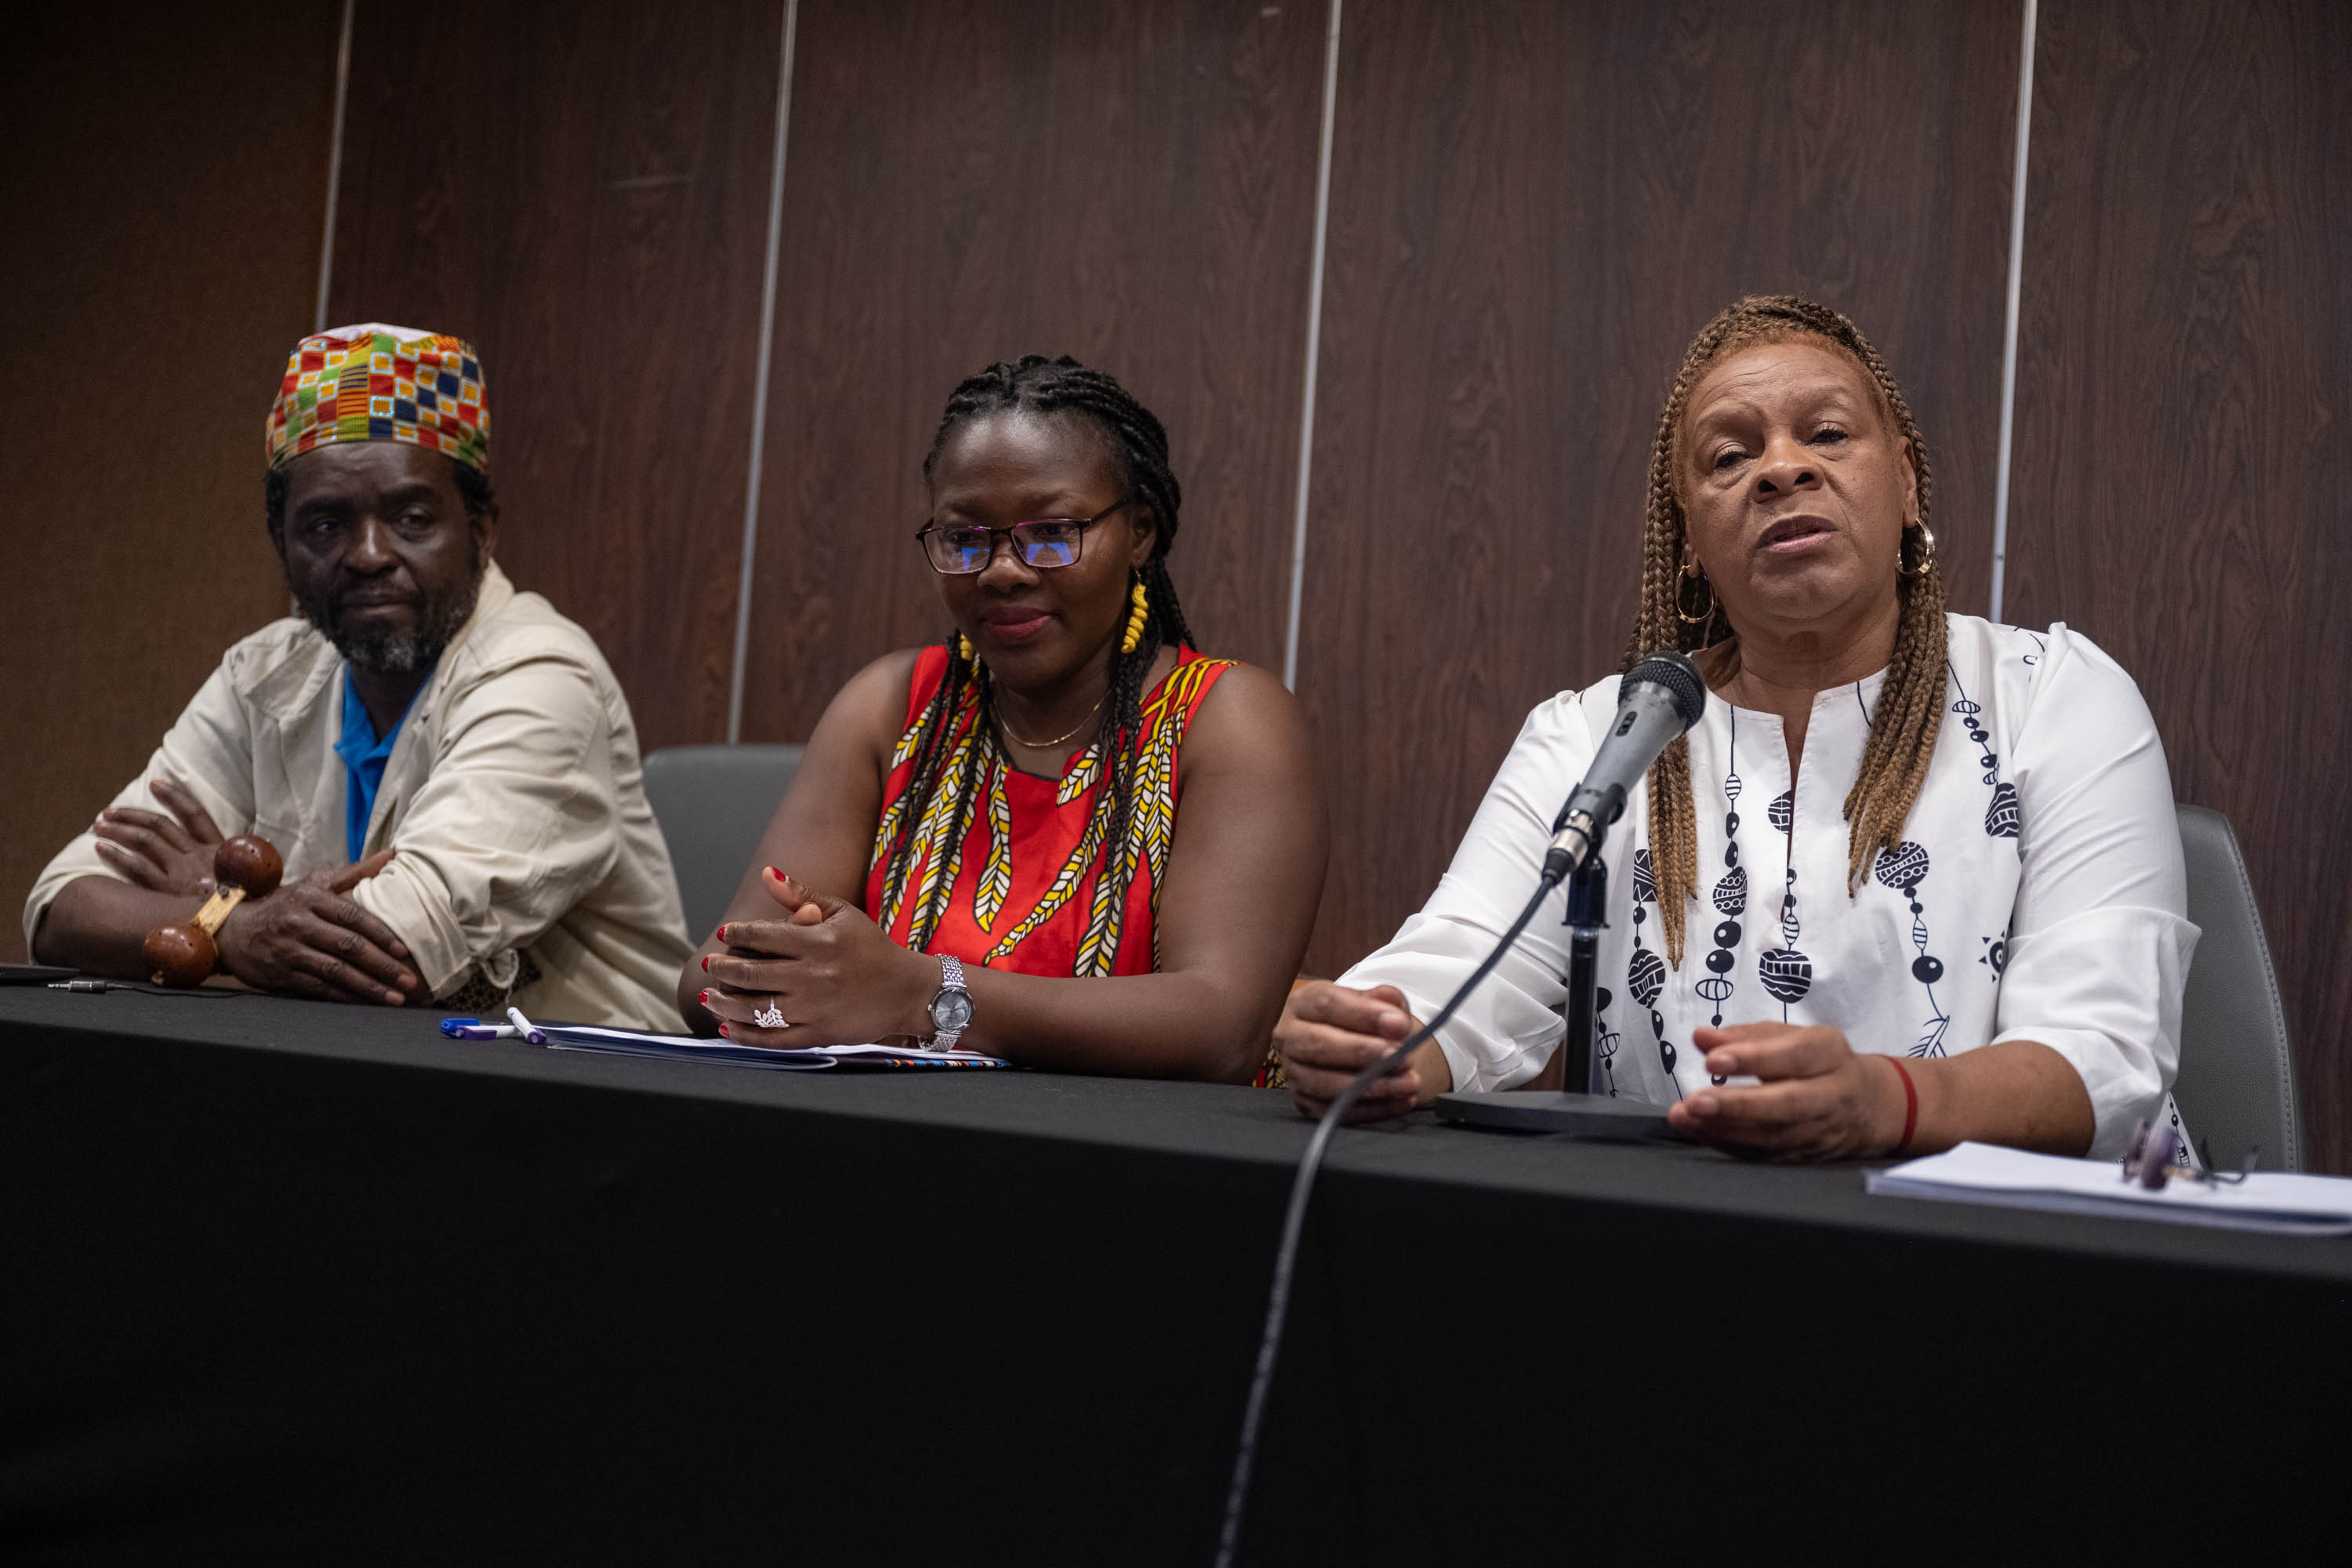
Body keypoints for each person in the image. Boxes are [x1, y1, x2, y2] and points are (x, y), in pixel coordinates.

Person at [1277, 296, 2197, 1160]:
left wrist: (1890, 1102)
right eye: (1729, 457)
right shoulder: (1600, 735)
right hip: (1695, 1252)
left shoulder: (2054, 697)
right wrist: (1374, 1038)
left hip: (2008, 1261)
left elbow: (2101, 1050)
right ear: (1688, 539)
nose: (1783, 468)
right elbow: (1468, 971)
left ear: (1909, 484)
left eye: (1828, 434)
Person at [27, 323, 694, 1029]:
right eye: (324, 526)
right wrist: (242, 926)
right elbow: (61, 907)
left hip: (580, 1106)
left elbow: (392, 955)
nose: (369, 554)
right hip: (360, 1083)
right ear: (279, 542)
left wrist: (211, 904)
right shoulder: (265, 672)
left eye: (410, 517)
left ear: (483, 530)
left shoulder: (543, 677)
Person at [686, 355, 1323, 1081]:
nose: (1003, 570)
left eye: (1052, 533)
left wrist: (922, 994)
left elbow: (1220, 1027)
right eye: (964, 539)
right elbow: (708, 984)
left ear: (1140, 533)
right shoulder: (890, 707)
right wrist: (794, 991)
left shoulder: (1226, 720)